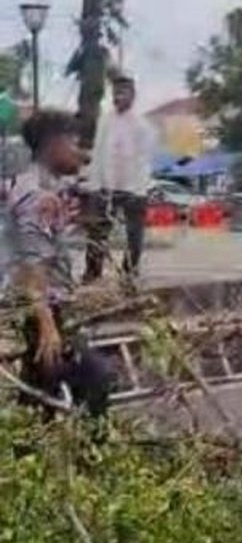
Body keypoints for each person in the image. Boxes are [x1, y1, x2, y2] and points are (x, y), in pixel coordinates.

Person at [5, 109, 112, 420]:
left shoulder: (45, 187)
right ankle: (91, 456)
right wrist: (47, 325)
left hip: (46, 309)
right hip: (43, 312)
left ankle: (32, 452)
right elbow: (30, 263)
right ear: (54, 144)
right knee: (98, 377)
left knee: (42, 395)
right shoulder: (38, 195)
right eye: (75, 142)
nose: (81, 152)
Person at [84, 73, 157, 282]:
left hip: (134, 189)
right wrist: (94, 185)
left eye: (123, 92)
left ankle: (129, 274)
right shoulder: (105, 120)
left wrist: (140, 189)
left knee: (133, 236)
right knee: (96, 233)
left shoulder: (142, 125)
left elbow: (145, 160)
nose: (118, 97)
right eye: (115, 93)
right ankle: (92, 274)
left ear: (133, 95)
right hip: (104, 186)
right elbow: (98, 152)